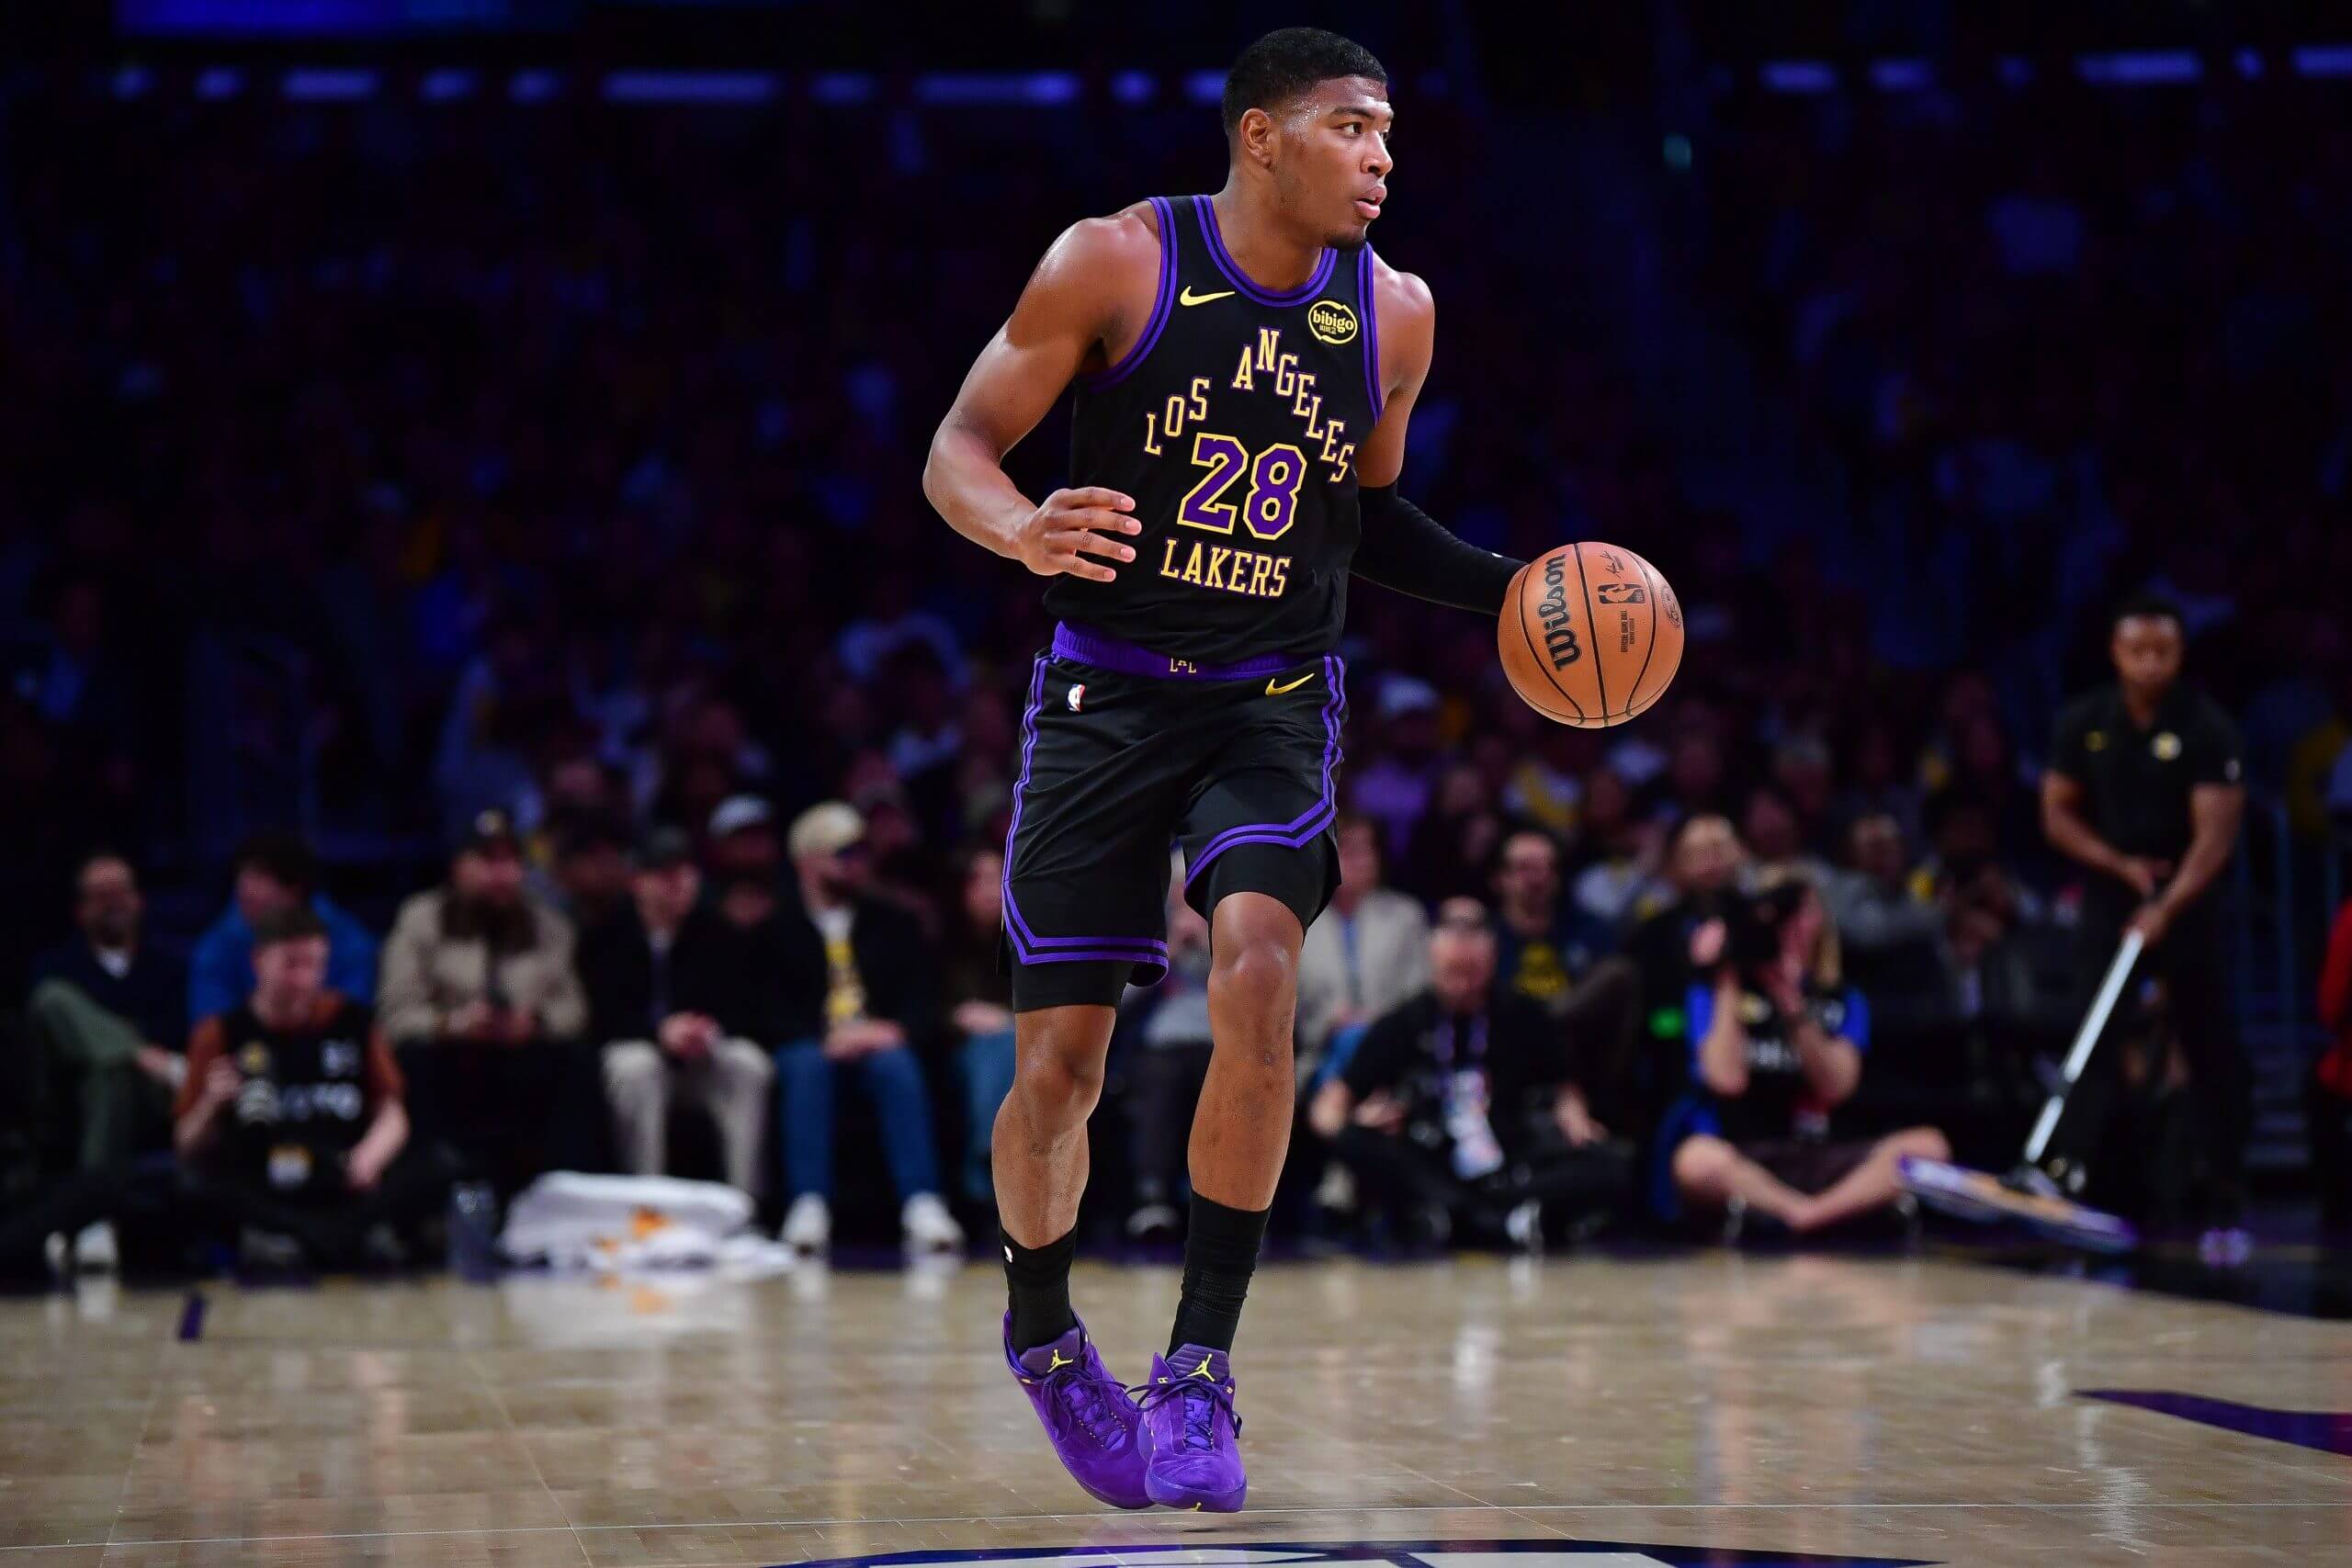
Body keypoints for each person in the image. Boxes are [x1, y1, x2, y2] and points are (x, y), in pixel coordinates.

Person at [924, 27, 1531, 1511]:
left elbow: (1367, 524)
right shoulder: (1118, 262)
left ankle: (1199, 1367)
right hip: (1106, 700)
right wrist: (1019, 528)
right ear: (1261, 137)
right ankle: (1047, 1332)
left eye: (1391, 132)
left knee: (1260, 963)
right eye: (1350, 127)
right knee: (1060, 1075)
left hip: (1269, 699)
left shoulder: (1397, 316)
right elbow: (959, 444)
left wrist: (1517, 589)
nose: (1383, 157)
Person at [2041, 592, 2247, 1246]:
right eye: (2139, 650)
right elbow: (2057, 810)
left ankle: (2223, 1189)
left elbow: (2214, 838)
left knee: (2207, 1041)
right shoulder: (2086, 721)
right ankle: (2066, 1171)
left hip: (2187, 896)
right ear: (2116, 652)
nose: (2152, 663)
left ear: (2181, 652)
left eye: (2164, 650)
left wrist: (2165, 904)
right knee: (2094, 1032)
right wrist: (2115, 864)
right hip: (2112, 891)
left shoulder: (2206, 725)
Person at [1307, 898, 1625, 1250]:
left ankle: (1470, 1219)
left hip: (1512, 1161)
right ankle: (1500, 1220)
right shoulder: (1401, 1023)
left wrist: (1575, 1119)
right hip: (1430, 1162)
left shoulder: (1526, 1016)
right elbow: (1328, 1107)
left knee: (1611, 1163)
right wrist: (1356, 1120)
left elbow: (1565, 1088)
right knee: (1358, 1142)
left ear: (1492, 958)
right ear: (1432, 956)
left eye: (1471, 968)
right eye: (1453, 969)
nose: (1462, 979)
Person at [1661, 886, 1950, 1238]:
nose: (1790, 927)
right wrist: (1728, 976)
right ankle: (1794, 1211)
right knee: (1695, 1160)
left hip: (1825, 1151)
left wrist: (1792, 1005)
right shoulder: (1715, 992)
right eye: (1777, 917)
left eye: (1802, 912)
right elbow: (1726, 1080)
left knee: (1928, 1148)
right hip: (1748, 1156)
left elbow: (1837, 1087)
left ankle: (1816, 1215)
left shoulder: (1842, 998)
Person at [175, 908, 452, 1269]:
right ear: (259, 961)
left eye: (314, 965)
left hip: (341, 1180)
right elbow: (186, 1143)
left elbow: (392, 1110)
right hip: (263, 1187)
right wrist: (211, 1104)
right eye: (291, 965)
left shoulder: (353, 1023)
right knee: (187, 1187)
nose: (304, 980)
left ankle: (350, 1233)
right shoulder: (220, 1034)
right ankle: (282, 1238)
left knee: (440, 1166)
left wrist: (370, 1156)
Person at [772, 800, 965, 1256]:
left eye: (861, 852)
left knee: (896, 1064)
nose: (857, 863)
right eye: (843, 853)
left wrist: (892, 1030)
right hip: (812, 1043)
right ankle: (808, 1204)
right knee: (806, 1067)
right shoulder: (776, 929)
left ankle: (922, 1202)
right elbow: (765, 1007)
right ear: (807, 860)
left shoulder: (894, 923)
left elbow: (924, 1000)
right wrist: (823, 1037)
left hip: (879, 1040)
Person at [378, 808, 597, 1197]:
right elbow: (396, 1014)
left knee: (578, 1062)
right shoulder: (421, 919)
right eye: (487, 861)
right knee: (412, 1058)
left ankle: (567, 1195)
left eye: (510, 861)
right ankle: (427, 1200)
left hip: (521, 1055)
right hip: (452, 1057)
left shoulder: (548, 925)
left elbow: (574, 1010)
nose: (500, 873)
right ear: (458, 866)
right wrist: (452, 1023)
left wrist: (536, 1022)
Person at [581, 828, 775, 1196]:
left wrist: (707, 1029)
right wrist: (659, 1032)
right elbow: (601, 1017)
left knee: (750, 1064)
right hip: (641, 1052)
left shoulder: (717, 932)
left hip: (701, 1060)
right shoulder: (608, 936)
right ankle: (649, 1204)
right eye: (666, 875)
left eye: (687, 873)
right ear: (638, 881)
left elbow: (745, 1006)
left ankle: (744, 1208)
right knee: (636, 1067)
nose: (679, 884)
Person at [23, 852, 187, 1270]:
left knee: (113, 1072)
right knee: (103, 1066)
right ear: (81, 910)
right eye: (101, 896)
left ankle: (89, 1215)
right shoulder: (55, 969)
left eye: (121, 893)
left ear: (139, 900)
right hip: (77, 1099)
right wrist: (137, 1053)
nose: (113, 903)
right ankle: (94, 1210)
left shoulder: (171, 966)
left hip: (161, 1096)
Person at [1295, 812, 1430, 1087]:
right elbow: (1289, 1008)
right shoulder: (1300, 923)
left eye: (1362, 849)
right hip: (1320, 1054)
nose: (1352, 859)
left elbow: (1421, 993)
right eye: (1343, 847)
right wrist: (1330, 1020)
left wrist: (1376, 1021)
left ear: (1378, 859)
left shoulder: (1406, 916)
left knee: (1359, 1041)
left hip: (1393, 1050)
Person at [187, 830, 379, 1023]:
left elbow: (354, 1020)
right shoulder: (215, 948)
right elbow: (210, 1024)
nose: (244, 888)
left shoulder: (352, 945)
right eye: (243, 874)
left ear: (294, 889)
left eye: (260, 877)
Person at [942, 845, 1017, 1208]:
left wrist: (1005, 1018)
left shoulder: (1023, 942)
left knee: (1005, 1043)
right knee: (994, 1048)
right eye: (982, 880)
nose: (993, 890)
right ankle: (991, 1154)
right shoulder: (941, 941)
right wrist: (956, 1016)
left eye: (999, 879)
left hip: (1016, 1041)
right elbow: (925, 1008)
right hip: (953, 1047)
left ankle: (987, 1156)